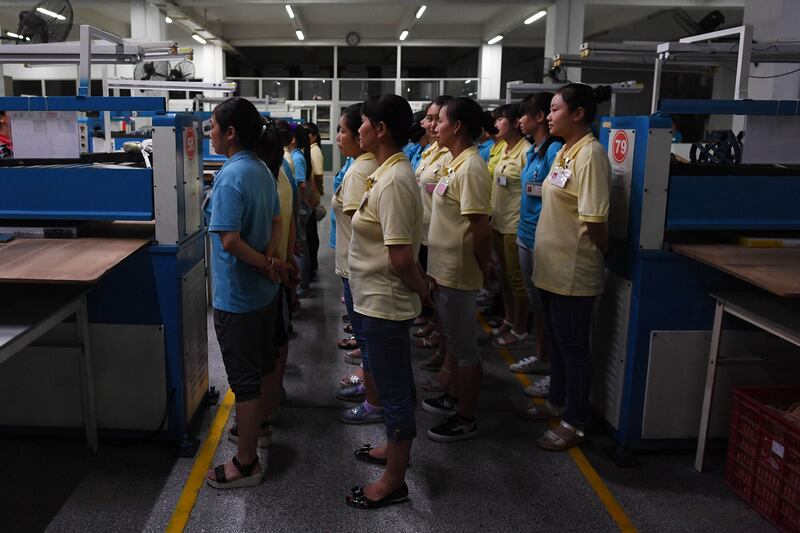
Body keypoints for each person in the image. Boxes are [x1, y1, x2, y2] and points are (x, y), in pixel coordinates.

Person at [345, 93, 427, 509]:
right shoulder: (385, 172)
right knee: (393, 383)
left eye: (362, 122)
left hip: (385, 303)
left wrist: (424, 289)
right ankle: (394, 453)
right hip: (372, 299)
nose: (357, 129)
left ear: (381, 129)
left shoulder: (394, 180)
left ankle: (394, 480)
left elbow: (400, 258)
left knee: (394, 392)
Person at [203, 97, 284, 489]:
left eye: (214, 126)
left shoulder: (231, 176)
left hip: (238, 297)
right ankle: (259, 429)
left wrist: (263, 263)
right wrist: (270, 259)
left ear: (231, 132)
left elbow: (230, 241)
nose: (210, 133)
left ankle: (246, 462)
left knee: (244, 382)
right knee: (262, 366)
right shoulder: (262, 171)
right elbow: (276, 220)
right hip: (264, 296)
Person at [529, 83, 612, 452]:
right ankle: (557, 400)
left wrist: (602, 253)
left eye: (555, 109)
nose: (549, 115)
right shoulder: (564, 151)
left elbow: (594, 219)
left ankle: (575, 421)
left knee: (575, 348)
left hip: (574, 271)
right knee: (561, 345)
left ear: (578, 114)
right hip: (551, 268)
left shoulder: (590, 155)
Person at [423, 97, 492, 442]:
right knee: (453, 339)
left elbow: (480, 228)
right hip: (444, 270)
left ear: (459, 126)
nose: (435, 126)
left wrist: (484, 268)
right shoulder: (455, 164)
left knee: (465, 348)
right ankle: (455, 396)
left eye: (441, 121)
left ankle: (466, 417)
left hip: (459, 272)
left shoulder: (472, 168)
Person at [329, 103, 382, 424]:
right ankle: (369, 384)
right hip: (352, 264)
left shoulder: (360, 170)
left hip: (357, 266)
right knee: (366, 340)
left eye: (343, 130)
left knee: (368, 340)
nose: (338, 136)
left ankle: (374, 400)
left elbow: (359, 226)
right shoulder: (358, 166)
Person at [511, 93, 563, 393]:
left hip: (541, 239)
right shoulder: (533, 152)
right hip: (525, 234)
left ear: (540, 117)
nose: (521, 121)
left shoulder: (555, 151)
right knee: (538, 306)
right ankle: (542, 356)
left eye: (524, 115)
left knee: (547, 309)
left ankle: (552, 370)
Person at [413, 95, 453, 362]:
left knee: (443, 297)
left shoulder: (451, 155)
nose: (430, 124)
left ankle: (444, 344)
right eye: (428, 118)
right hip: (425, 233)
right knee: (434, 292)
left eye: (436, 119)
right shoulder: (430, 151)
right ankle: (436, 327)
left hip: (439, 235)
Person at [490, 104, 532, 350]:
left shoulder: (525, 152)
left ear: (516, 122)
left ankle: (520, 328)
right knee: (504, 276)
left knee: (517, 279)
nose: (496, 123)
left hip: (513, 226)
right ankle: (508, 318)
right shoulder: (503, 150)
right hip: (498, 221)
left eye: (501, 119)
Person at [307, 122, 325, 281]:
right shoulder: (309, 150)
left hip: (312, 200)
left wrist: (320, 191)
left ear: (314, 136)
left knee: (311, 235)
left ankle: (312, 266)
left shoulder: (315, 151)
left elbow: (318, 176)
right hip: (312, 198)